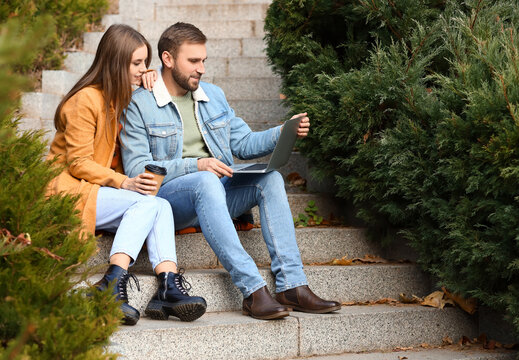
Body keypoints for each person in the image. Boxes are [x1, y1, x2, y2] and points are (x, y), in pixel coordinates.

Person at [120, 22, 341, 320]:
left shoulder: (213, 96)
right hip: (172, 202)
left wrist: (283, 131)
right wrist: (196, 165)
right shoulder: (140, 104)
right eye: (193, 61)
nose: (201, 69)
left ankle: (292, 285)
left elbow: (244, 143)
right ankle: (253, 291)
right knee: (205, 180)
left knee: (271, 179)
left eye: (204, 61)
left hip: (216, 191)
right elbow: (137, 169)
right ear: (168, 59)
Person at [46, 24, 207, 326]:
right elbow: (78, 163)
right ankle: (111, 282)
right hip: (68, 191)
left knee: (160, 204)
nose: (143, 69)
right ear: (114, 62)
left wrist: (147, 76)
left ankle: (168, 286)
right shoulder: (84, 100)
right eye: (136, 63)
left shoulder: (119, 98)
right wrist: (125, 182)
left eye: (146, 62)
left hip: (96, 191)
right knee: (146, 203)